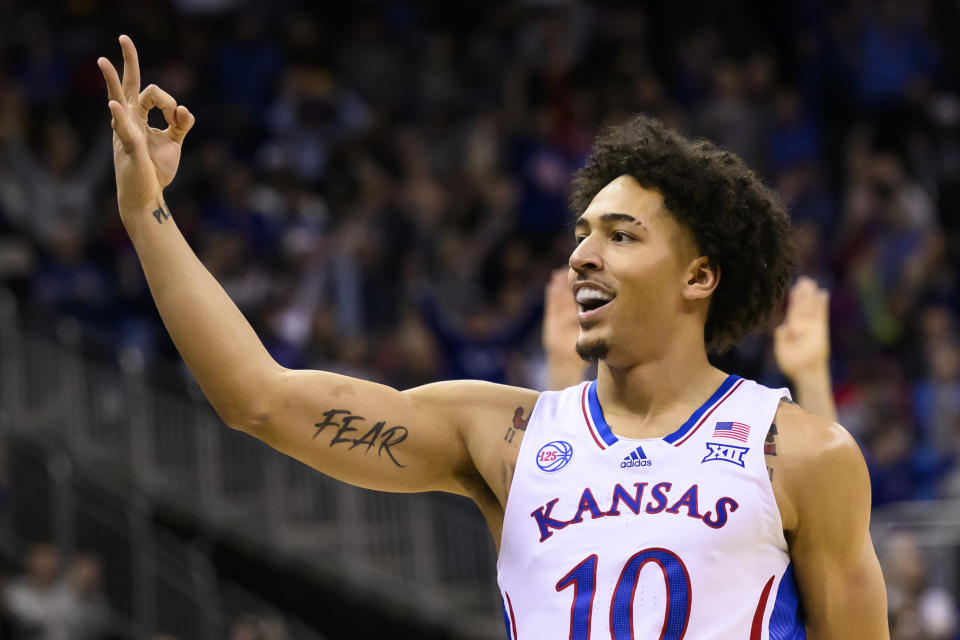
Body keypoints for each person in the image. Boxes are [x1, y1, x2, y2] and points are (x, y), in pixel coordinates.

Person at [98, 35, 887, 639]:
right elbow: (259, 400)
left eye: (620, 236)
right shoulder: (503, 435)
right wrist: (148, 215)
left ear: (699, 276)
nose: (581, 253)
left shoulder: (802, 454)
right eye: (582, 233)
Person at [545, 270, 839, 424]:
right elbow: (554, 473)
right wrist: (563, 370)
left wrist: (811, 377)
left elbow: (831, 500)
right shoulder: (606, 416)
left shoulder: (754, 419)